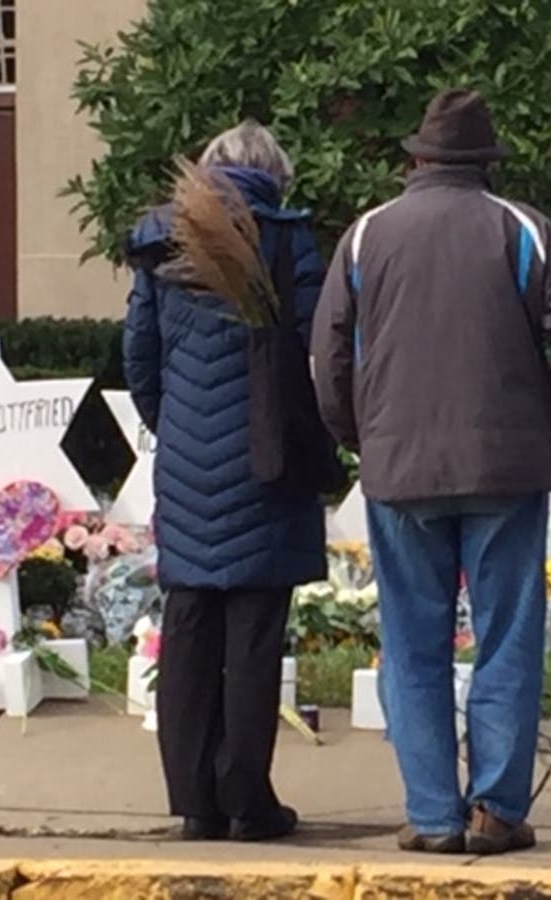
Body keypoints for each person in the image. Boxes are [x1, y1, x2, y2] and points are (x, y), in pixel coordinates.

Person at [312, 88, 551, 856]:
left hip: (398, 465)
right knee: (506, 637)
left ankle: (433, 816)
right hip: (506, 464)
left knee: (412, 642)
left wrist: (361, 435)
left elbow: (327, 355)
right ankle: (497, 811)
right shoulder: (522, 229)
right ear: (485, 164)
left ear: (415, 160)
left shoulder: (366, 235)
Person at [123, 120, 327, 842]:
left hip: (184, 457)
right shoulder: (286, 240)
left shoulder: (162, 240)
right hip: (267, 455)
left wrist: (176, 426)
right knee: (253, 637)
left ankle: (196, 804)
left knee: (188, 625)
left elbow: (139, 359)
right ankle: (248, 803)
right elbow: (315, 348)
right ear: (276, 176)